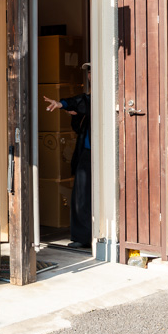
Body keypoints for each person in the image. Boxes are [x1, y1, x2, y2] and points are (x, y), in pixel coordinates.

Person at [57, 63, 92, 249]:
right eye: (88, 72)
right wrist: (68, 109)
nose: (90, 75)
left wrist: (63, 104)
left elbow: (82, 101)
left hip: (104, 155)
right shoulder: (88, 99)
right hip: (87, 152)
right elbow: (79, 105)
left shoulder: (106, 95)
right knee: (82, 194)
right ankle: (82, 237)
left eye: (93, 70)